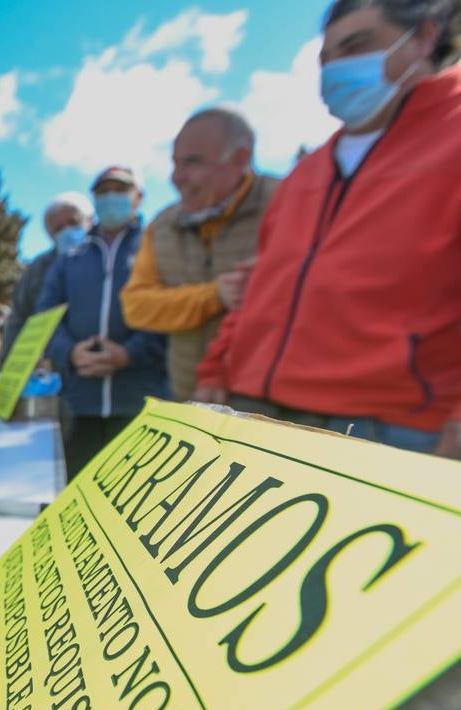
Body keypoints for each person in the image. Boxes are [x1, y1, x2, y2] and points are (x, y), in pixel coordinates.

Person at [196, 0, 461, 460]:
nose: (336, 68)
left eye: (356, 46)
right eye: (327, 57)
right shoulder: (307, 172)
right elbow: (262, 283)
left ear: (422, 37)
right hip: (260, 414)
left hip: (389, 432)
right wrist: (214, 370)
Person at [120, 107, 281, 402]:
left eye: (193, 163)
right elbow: (136, 306)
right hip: (189, 402)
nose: (177, 178)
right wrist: (213, 296)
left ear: (240, 159)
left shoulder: (287, 202)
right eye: (175, 164)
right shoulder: (161, 226)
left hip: (280, 415)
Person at [40, 167, 169, 478]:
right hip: (79, 405)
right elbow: (45, 316)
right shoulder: (72, 255)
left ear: (137, 198)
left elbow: (170, 309)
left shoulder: (157, 248)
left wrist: (130, 353)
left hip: (140, 402)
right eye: (103, 191)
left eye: (120, 190)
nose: (111, 197)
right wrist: (69, 353)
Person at [2, 193, 93, 353]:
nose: (67, 231)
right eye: (59, 228)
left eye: (73, 222)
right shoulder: (37, 270)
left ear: (89, 221)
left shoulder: (109, 258)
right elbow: (19, 318)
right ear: (50, 234)